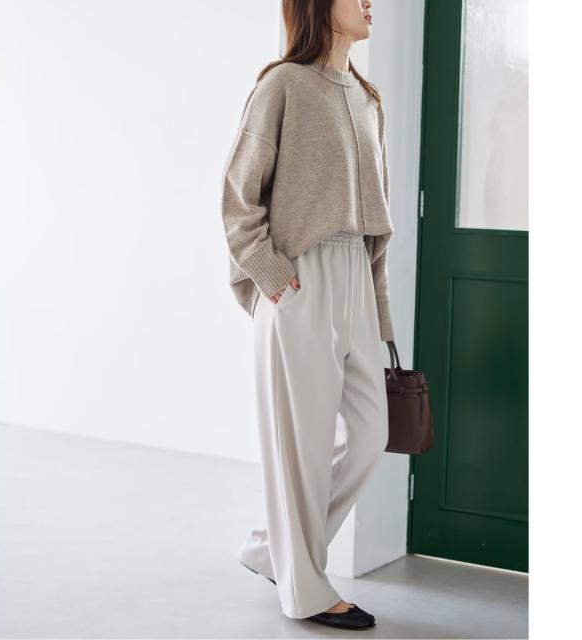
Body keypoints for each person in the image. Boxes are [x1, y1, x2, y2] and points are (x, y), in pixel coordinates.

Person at [220, 0, 393, 631]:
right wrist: (275, 279)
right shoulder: (283, 86)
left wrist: (380, 316)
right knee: (303, 450)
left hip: (355, 278)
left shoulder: (368, 99)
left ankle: (276, 551)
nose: (370, 2)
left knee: (370, 435)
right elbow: (238, 198)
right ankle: (308, 591)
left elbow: (375, 226)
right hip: (300, 278)